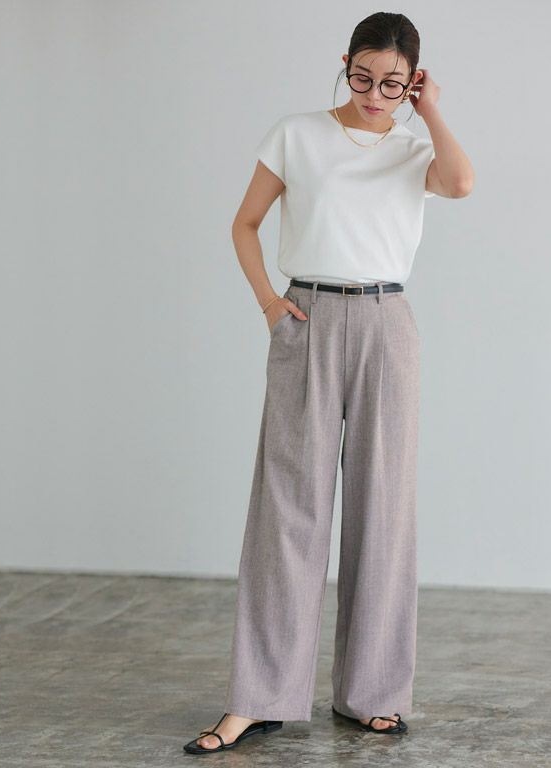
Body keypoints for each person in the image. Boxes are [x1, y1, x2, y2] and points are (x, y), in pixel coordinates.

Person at [183, 11, 473, 755]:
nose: (375, 94)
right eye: (363, 77)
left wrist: (431, 110)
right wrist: (269, 304)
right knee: (287, 511)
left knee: (384, 508)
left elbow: (462, 183)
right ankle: (258, 698)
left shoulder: (415, 148)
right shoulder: (297, 134)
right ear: (344, 64)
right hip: (307, 316)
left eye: (393, 84)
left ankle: (373, 693)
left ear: (412, 82)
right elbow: (245, 223)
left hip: (386, 323)